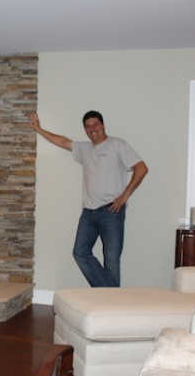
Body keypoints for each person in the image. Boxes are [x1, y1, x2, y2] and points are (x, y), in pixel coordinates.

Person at [28, 110, 148, 287]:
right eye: (88, 126)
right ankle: (110, 296)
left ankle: (109, 303)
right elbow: (62, 141)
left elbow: (141, 168)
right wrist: (38, 129)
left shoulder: (117, 144)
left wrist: (124, 196)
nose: (92, 129)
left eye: (95, 124)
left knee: (111, 260)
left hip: (111, 212)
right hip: (89, 213)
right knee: (80, 252)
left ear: (103, 125)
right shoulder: (84, 149)